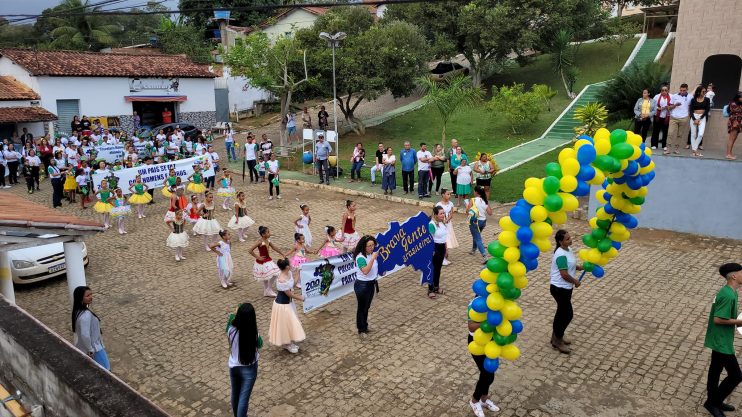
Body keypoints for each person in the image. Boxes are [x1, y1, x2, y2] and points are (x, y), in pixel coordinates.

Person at [703, 263, 742, 417]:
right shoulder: (727, 295)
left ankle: (713, 402)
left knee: (715, 370)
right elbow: (718, 319)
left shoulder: (730, 292)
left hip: (720, 338)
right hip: (721, 341)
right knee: (736, 375)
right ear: (734, 276)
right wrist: (739, 322)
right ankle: (713, 402)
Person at [549, 229, 583, 354]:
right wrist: (575, 281)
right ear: (560, 241)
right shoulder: (560, 254)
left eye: (570, 237)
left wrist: (579, 267)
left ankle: (556, 337)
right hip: (559, 288)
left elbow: (570, 265)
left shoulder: (568, 250)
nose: (570, 240)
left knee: (561, 313)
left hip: (566, 288)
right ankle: (558, 341)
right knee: (567, 314)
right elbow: (563, 274)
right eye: (567, 239)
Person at [227, 303, 261, 417]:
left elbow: (231, 319)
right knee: (244, 398)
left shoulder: (231, 330)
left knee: (235, 394)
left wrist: (234, 314)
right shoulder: (253, 334)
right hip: (249, 368)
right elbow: (260, 344)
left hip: (234, 366)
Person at [467, 302, 501, 417]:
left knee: (490, 372)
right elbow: (471, 326)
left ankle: (484, 399)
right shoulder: (474, 304)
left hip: (491, 342)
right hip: (477, 342)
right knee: (486, 373)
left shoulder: (496, 302)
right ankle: (474, 401)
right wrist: (487, 323)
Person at [269, 258, 307, 353]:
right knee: (286, 324)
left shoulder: (288, 273)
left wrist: (298, 272)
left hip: (288, 303)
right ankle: (287, 343)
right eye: (289, 264)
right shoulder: (281, 279)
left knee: (289, 322)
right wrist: (300, 298)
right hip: (282, 305)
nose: (291, 265)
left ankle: (289, 341)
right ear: (286, 267)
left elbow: (292, 284)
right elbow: (289, 293)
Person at [72, 286, 110, 371]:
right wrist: (91, 349)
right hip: (95, 348)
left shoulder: (77, 311)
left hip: (85, 347)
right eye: (87, 296)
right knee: (106, 370)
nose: (90, 297)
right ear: (80, 298)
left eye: (91, 294)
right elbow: (85, 334)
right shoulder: (86, 315)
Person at [353, 235, 380, 338]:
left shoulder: (370, 254)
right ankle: (361, 329)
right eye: (369, 246)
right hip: (362, 286)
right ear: (364, 246)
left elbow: (373, 269)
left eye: (373, 245)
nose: (371, 247)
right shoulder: (360, 257)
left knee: (367, 307)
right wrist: (373, 259)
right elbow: (365, 271)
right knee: (362, 308)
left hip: (370, 284)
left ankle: (365, 326)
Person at [250, 226, 287, 297]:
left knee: (270, 275)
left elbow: (274, 247)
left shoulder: (268, 241)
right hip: (263, 261)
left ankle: (266, 290)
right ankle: (268, 289)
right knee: (274, 274)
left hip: (268, 259)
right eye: (268, 232)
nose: (270, 233)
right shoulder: (260, 242)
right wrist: (258, 257)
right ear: (263, 234)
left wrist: (282, 253)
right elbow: (250, 250)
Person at [467, 186, 492, 264]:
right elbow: (490, 213)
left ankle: (485, 256)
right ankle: (473, 250)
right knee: (476, 235)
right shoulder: (485, 200)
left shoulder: (473, 200)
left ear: (476, 192)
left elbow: (467, 211)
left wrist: (468, 207)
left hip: (474, 222)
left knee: (478, 238)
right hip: (483, 222)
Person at [427, 206, 448, 299]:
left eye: (443, 213)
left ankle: (436, 287)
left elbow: (444, 237)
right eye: (441, 213)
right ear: (435, 215)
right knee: (432, 269)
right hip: (435, 248)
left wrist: (446, 249)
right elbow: (429, 239)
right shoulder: (432, 224)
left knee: (438, 269)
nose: (443, 215)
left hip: (442, 247)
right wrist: (432, 251)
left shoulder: (442, 222)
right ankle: (430, 289)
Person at [667, 83, 692, 155]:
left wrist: (689, 117)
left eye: (684, 90)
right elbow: (669, 108)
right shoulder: (674, 96)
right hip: (673, 117)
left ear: (687, 90)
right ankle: (668, 149)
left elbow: (690, 108)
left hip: (684, 118)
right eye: (681, 90)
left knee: (680, 134)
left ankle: (676, 149)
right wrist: (675, 105)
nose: (682, 92)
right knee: (670, 133)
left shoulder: (690, 97)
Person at [435, 189, 458, 265]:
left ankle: (444, 255)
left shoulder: (451, 203)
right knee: (443, 240)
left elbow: (451, 214)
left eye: (449, 194)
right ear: (443, 195)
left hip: (448, 224)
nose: (449, 196)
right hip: (441, 224)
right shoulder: (438, 204)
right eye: (447, 194)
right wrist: (442, 221)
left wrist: (447, 219)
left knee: (447, 239)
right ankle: (443, 257)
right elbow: (436, 215)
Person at [689, 85, 711, 158]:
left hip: (702, 117)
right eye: (703, 91)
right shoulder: (693, 99)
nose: (705, 92)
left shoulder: (707, 99)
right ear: (699, 92)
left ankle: (694, 149)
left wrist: (700, 118)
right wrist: (694, 119)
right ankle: (695, 151)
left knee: (700, 134)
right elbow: (691, 110)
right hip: (694, 117)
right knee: (693, 134)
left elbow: (707, 110)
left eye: (705, 91)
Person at [651, 85, 672, 152]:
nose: (664, 92)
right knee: (656, 130)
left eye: (666, 90)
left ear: (668, 90)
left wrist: (669, 107)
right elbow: (652, 105)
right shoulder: (657, 96)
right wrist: (658, 108)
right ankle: (654, 144)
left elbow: (672, 105)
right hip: (657, 116)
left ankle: (664, 145)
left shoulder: (671, 96)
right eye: (662, 90)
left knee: (665, 131)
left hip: (667, 117)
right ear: (661, 91)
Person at [726, 92, 742, 160]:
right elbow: (735, 113)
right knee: (731, 139)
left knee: (734, 139)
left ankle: (730, 153)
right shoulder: (733, 104)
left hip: (738, 122)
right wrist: (736, 123)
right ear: (738, 98)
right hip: (734, 122)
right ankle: (728, 154)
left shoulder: (739, 104)